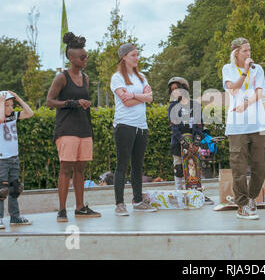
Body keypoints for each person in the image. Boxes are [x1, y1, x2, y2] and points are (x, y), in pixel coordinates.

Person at [46, 32, 101, 222]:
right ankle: (62, 210)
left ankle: (80, 208)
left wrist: (84, 104)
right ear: (71, 58)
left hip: (84, 129)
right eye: (82, 57)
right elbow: (49, 102)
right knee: (65, 169)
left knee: (80, 169)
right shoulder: (61, 77)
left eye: (86, 56)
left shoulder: (85, 78)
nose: (85, 59)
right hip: (66, 129)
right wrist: (73, 103)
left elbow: (81, 100)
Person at [222, 37, 265, 220]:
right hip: (237, 126)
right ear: (236, 53)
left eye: (249, 50)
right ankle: (242, 204)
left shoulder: (256, 69)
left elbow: (260, 92)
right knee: (239, 167)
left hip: (257, 124)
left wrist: (246, 103)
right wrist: (243, 72)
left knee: (261, 165)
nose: (249, 54)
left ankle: (251, 197)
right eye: (245, 51)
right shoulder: (228, 69)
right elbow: (233, 89)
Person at [110, 43, 156, 216]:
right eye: (133, 55)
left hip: (141, 126)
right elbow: (126, 102)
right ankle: (119, 204)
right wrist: (141, 97)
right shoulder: (117, 78)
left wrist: (135, 95)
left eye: (137, 55)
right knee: (122, 165)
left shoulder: (142, 77)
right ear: (124, 57)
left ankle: (138, 201)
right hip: (124, 125)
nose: (137, 58)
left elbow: (150, 97)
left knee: (138, 165)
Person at [167, 76, 214, 205]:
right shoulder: (172, 106)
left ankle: (198, 193)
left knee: (195, 166)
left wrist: (196, 143)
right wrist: (185, 144)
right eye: (172, 90)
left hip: (194, 142)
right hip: (178, 142)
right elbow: (174, 128)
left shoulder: (195, 105)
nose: (174, 92)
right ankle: (180, 195)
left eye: (177, 89)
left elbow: (199, 125)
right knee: (178, 167)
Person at [0, 91, 34, 228]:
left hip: (14, 157)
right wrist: (1, 103)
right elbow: (1, 119)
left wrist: (19, 99)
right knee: (2, 190)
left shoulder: (13, 116)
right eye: (8, 105)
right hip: (2, 159)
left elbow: (30, 113)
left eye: (11, 105)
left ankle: (15, 217)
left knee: (15, 188)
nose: (11, 108)